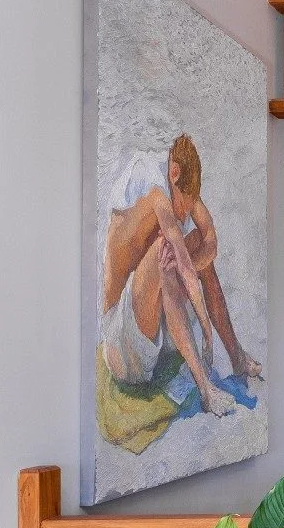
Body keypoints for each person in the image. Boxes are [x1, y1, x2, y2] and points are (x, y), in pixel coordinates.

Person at [99, 134, 261, 417]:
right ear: (173, 173)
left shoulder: (178, 180)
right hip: (123, 347)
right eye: (184, 205)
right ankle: (205, 390)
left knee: (192, 243)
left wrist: (195, 259)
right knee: (166, 250)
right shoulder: (155, 193)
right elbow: (183, 265)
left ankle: (236, 355)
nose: (185, 213)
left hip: (155, 330)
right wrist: (206, 330)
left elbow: (210, 240)